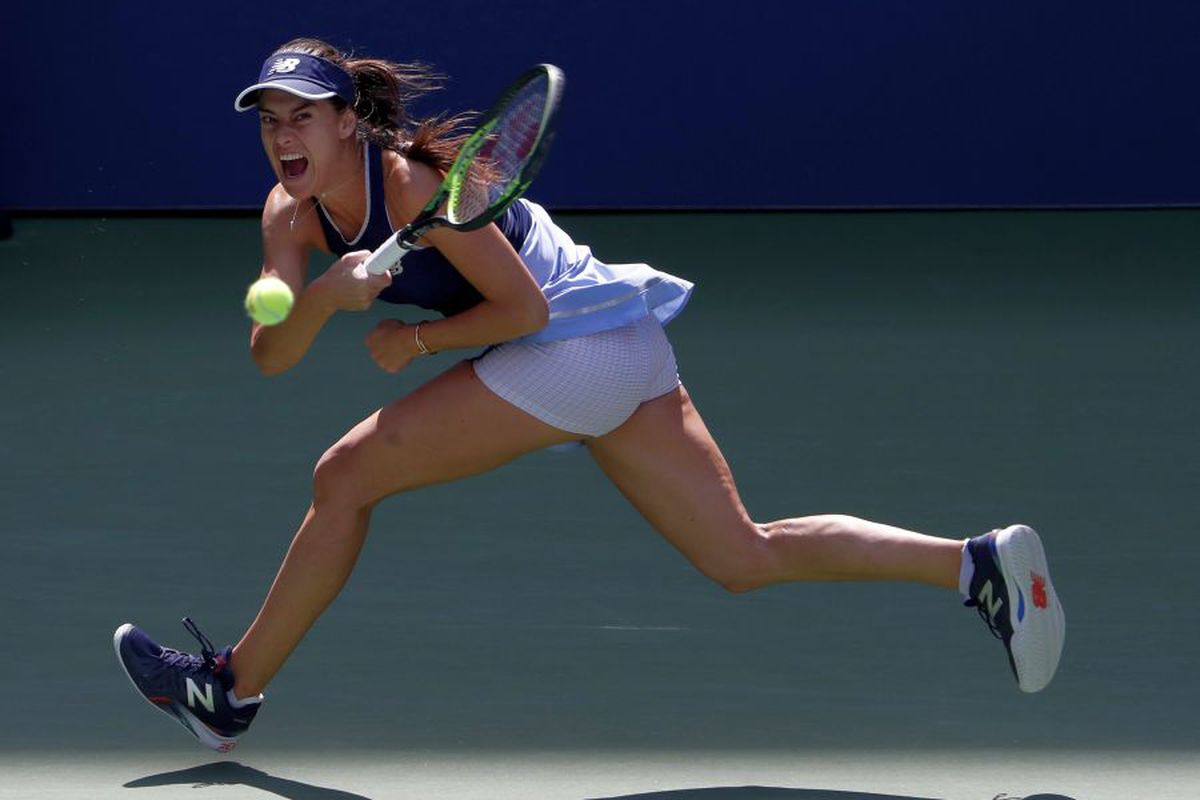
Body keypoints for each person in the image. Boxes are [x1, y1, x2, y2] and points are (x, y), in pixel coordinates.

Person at [113, 38, 1066, 753]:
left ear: (349, 120)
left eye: (303, 115)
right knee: (742, 555)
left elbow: (522, 310)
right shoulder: (288, 212)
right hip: (621, 345)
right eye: (271, 118)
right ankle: (977, 568)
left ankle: (228, 694)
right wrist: (325, 295)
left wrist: (416, 337)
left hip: (579, 340)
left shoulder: (412, 191)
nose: (284, 134)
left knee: (346, 474)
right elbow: (270, 357)